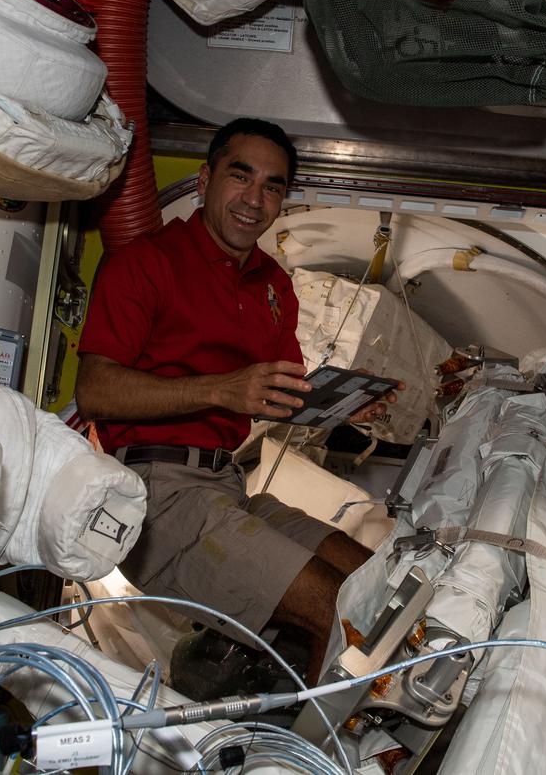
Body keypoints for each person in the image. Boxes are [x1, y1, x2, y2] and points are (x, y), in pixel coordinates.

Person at [75, 117, 398, 682]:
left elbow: (274, 395)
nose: (254, 198)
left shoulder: (273, 284)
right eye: (240, 176)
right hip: (157, 497)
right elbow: (94, 392)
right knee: (336, 610)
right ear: (203, 182)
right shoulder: (147, 263)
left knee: (373, 585)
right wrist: (223, 388)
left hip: (226, 486)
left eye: (273, 186)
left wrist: (339, 403)